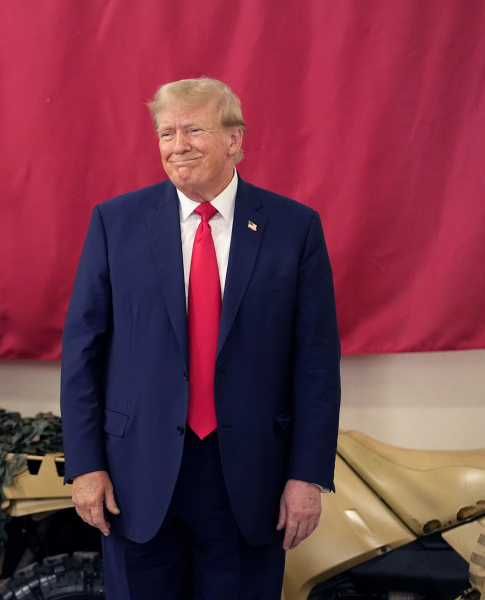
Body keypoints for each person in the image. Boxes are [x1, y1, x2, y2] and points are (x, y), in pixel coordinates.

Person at [60, 77, 341, 599]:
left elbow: (316, 364)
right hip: (135, 477)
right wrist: (85, 465)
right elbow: (82, 352)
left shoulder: (294, 227)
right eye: (165, 133)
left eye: (193, 129)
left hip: (250, 479)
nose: (177, 145)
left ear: (234, 140)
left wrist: (307, 476)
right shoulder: (114, 222)